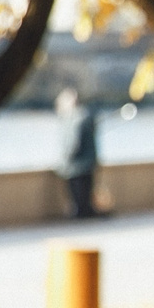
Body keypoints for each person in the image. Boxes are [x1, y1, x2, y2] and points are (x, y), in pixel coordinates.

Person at [54, 86, 99, 218]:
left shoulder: (74, 118)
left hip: (76, 165)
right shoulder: (86, 115)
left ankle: (81, 214)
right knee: (85, 195)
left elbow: (73, 142)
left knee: (79, 197)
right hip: (88, 162)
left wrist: (65, 160)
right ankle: (85, 213)